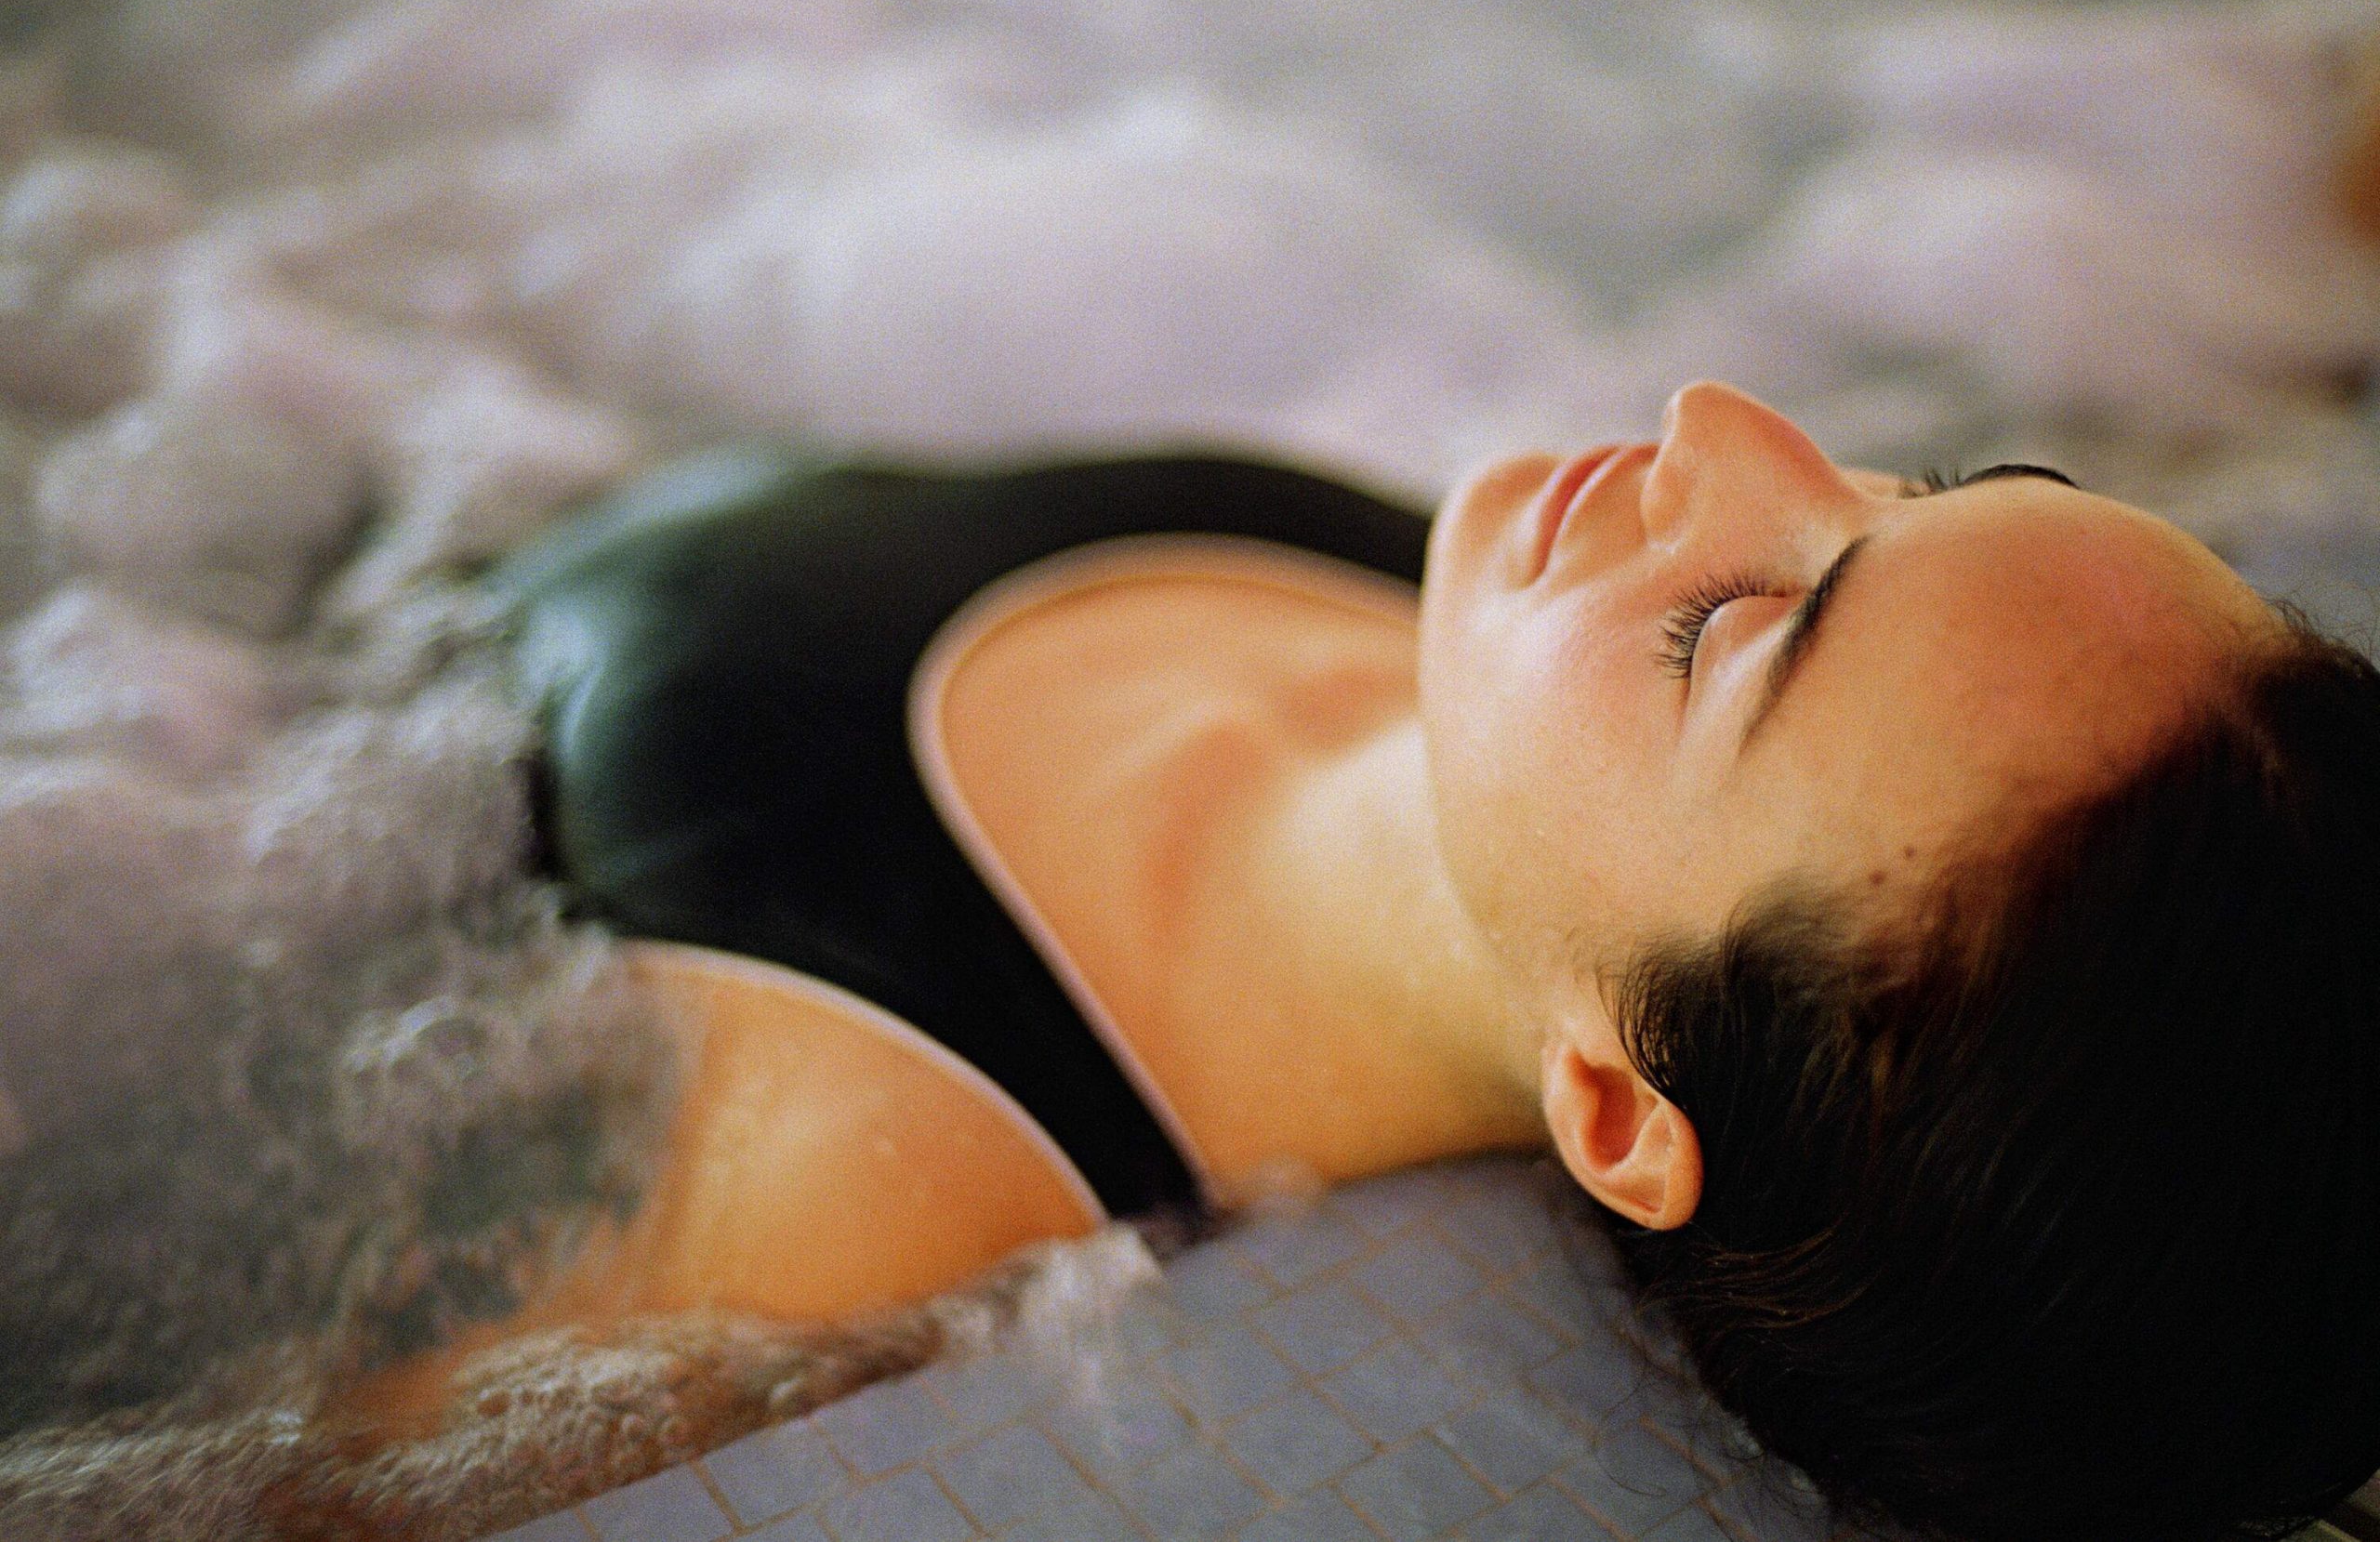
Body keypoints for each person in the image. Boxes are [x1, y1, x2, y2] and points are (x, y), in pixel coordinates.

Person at [373, 381, 2380, 1542]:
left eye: (1731, 637)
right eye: (1925, 493)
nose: (1725, 425)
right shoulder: (1536, 675)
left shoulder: (873, 1141)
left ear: (1610, 1097)